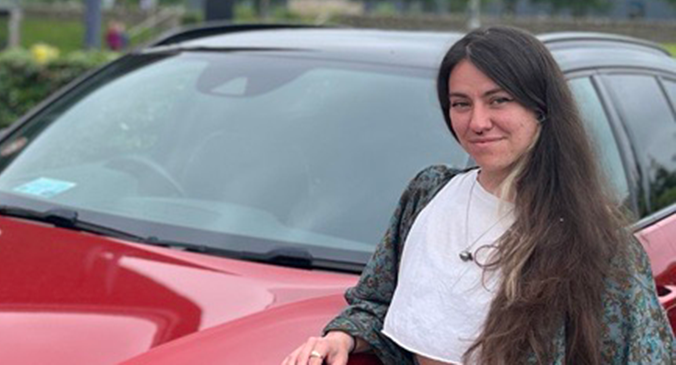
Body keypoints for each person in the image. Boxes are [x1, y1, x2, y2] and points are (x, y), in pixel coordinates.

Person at [283, 26, 675, 365]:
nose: (478, 122)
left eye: (498, 100)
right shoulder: (428, 194)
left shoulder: (597, 243)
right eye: (460, 104)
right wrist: (342, 337)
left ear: (541, 107)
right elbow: (375, 302)